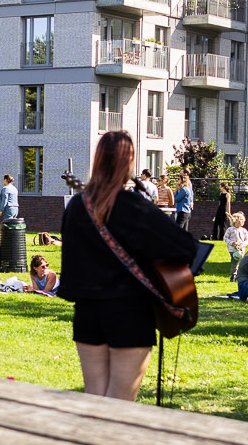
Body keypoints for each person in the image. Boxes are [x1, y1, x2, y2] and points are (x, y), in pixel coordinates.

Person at [59, 130, 200, 401]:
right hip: (129, 312)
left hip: (87, 312)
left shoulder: (77, 206)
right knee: (121, 402)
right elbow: (186, 247)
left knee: (95, 397)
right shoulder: (133, 205)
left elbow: (72, 262)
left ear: (97, 159)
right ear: (129, 161)